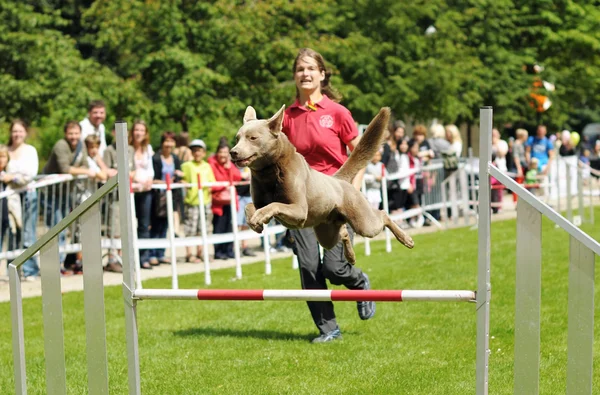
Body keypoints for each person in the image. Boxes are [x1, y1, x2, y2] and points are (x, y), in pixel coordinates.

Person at [281, 47, 375, 343]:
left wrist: (353, 192)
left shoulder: (337, 113)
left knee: (334, 268)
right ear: (294, 76)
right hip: (302, 202)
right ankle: (328, 329)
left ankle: (359, 283)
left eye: (311, 68)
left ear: (322, 75)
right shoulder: (286, 117)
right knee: (309, 267)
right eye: (300, 69)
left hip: (336, 199)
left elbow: (361, 153)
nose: (305, 74)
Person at [43, 121, 95, 273]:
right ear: (65, 134)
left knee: (64, 228)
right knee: (55, 228)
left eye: (76, 133)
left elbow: (85, 164)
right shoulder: (61, 145)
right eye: (70, 133)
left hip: (66, 193)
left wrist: (84, 170)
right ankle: (55, 266)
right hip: (51, 194)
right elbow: (65, 168)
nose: (74, 136)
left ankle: (62, 263)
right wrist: (87, 172)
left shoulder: (81, 145)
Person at [6, 120, 39, 279]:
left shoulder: (30, 150)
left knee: (28, 233)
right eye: (14, 131)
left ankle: (30, 269)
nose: (17, 134)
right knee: (12, 233)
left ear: (25, 132)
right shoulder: (5, 150)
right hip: (10, 197)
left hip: (28, 195)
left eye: (20, 131)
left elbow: (30, 174)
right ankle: (13, 270)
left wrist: (12, 177)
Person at [103, 127, 136, 273]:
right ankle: (112, 259)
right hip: (114, 196)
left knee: (126, 227)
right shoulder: (109, 151)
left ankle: (123, 258)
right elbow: (107, 171)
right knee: (114, 228)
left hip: (127, 195)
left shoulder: (130, 150)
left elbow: (133, 170)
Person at [150, 131, 183, 265]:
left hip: (171, 196)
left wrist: (179, 177)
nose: (169, 144)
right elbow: (153, 178)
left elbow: (178, 174)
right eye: (166, 141)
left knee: (165, 225)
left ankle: (161, 253)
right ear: (162, 143)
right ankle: (152, 254)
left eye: (171, 141)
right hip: (157, 196)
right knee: (156, 225)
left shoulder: (175, 158)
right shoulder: (156, 158)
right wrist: (165, 183)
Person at [181, 139, 215, 263]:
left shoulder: (207, 166)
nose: (197, 153)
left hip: (205, 202)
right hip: (191, 202)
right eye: (194, 151)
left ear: (204, 153)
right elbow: (182, 180)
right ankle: (189, 254)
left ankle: (200, 253)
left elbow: (212, 182)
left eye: (199, 151)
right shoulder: (186, 166)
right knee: (190, 229)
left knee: (203, 228)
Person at [208, 141, 241, 260]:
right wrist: (225, 185)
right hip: (219, 202)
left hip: (230, 201)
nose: (223, 155)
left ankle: (229, 250)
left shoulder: (229, 164)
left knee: (230, 226)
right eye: (221, 152)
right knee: (219, 227)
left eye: (226, 152)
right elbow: (214, 182)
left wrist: (228, 168)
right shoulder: (211, 164)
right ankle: (219, 251)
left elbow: (237, 177)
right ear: (217, 153)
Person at [129, 120, 154, 270]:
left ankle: (143, 257)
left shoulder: (147, 148)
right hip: (131, 190)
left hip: (144, 191)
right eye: (136, 130)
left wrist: (149, 179)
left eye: (141, 130)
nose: (138, 133)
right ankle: (130, 259)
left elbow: (150, 169)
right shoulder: (127, 148)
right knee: (130, 225)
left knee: (144, 225)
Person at [236, 165, 256, 257]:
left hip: (249, 196)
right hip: (238, 197)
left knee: (246, 224)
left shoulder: (250, 166)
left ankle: (245, 247)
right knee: (237, 224)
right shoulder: (233, 166)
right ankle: (236, 248)